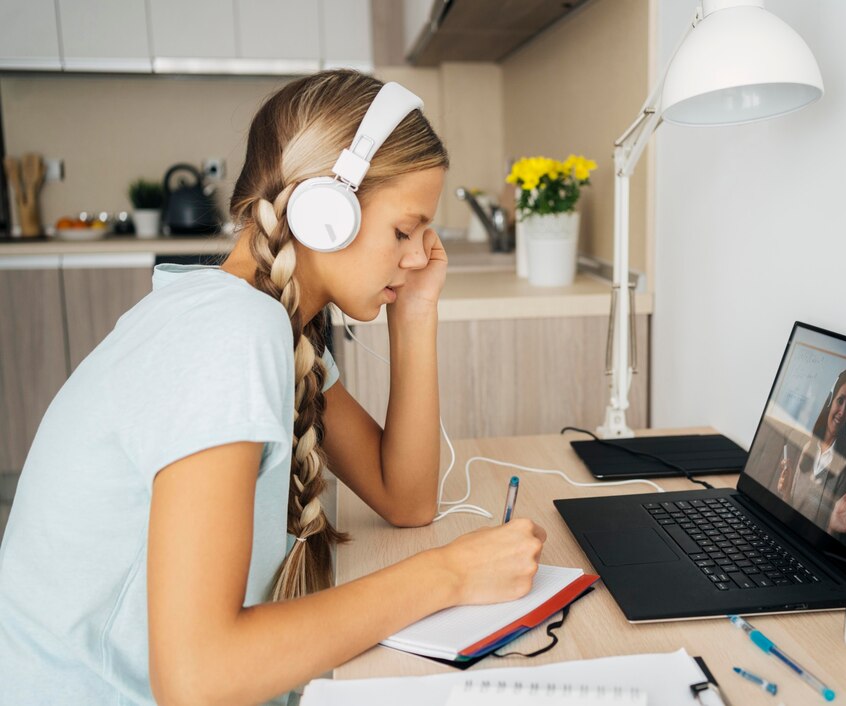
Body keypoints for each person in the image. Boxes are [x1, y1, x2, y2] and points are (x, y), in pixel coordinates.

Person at [0, 71, 546, 705]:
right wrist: (448, 574)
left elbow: (406, 498)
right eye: (403, 231)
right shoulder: (229, 330)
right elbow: (198, 679)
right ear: (324, 212)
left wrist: (415, 310)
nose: (420, 253)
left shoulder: (273, 325)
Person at [776, 368, 846, 537]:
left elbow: (831, 534)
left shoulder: (845, 460)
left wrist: (832, 526)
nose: (843, 411)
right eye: (840, 400)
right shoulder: (809, 445)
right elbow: (789, 512)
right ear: (830, 401)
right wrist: (786, 493)